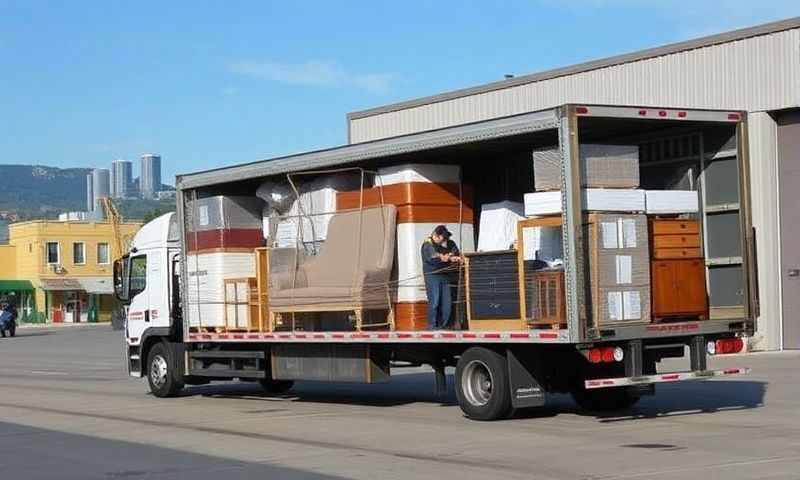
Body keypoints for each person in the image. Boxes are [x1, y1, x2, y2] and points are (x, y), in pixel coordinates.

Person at [421, 225, 462, 330]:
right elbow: (434, 258)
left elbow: (455, 251)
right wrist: (448, 258)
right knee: (435, 301)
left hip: (445, 276)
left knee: (447, 302)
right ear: (436, 235)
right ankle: (433, 326)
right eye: (443, 238)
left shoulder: (448, 243)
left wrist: (450, 256)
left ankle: (445, 326)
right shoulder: (428, 245)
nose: (445, 240)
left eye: (446, 238)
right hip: (433, 276)